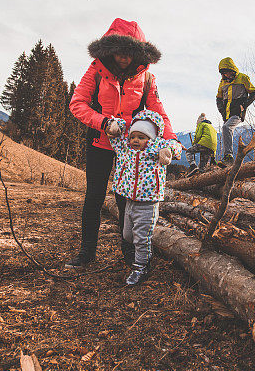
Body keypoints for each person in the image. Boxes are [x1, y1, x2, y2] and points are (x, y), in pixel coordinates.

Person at [67, 18, 181, 268]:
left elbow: (160, 114)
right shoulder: (96, 70)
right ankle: (86, 254)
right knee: (94, 198)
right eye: (118, 52)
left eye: (129, 53)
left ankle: (130, 255)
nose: (123, 58)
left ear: (138, 53)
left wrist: (171, 142)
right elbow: (77, 104)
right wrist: (103, 122)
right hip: (99, 142)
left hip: (132, 150)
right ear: (109, 50)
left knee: (126, 201)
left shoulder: (147, 78)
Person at [108, 110, 178, 284]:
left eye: (141, 137)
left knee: (141, 237)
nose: (135, 141)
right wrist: (117, 125)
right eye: (133, 136)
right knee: (127, 235)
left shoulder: (157, 149)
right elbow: (114, 137)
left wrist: (167, 151)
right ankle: (143, 257)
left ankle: (141, 267)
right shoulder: (125, 150)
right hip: (129, 201)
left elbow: (175, 147)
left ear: (151, 138)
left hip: (148, 203)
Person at [216, 57, 255, 164]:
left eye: (227, 72)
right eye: (223, 73)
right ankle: (227, 162)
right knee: (226, 130)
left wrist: (244, 105)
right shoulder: (222, 83)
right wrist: (222, 112)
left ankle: (228, 157)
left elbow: (254, 93)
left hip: (238, 113)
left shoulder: (243, 78)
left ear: (232, 70)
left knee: (226, 127)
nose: (225, 75)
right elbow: (219, 98)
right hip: (227, 114)